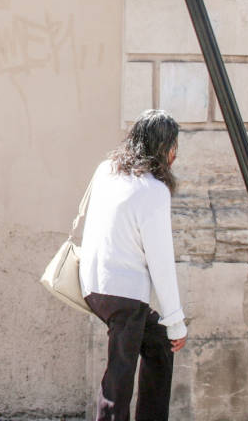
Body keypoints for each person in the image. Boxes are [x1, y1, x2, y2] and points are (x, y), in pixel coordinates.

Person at [79, 109, 188, 421]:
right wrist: (176, 321)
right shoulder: (154, 190)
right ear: (165, 149)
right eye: (173, 146)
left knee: (157, 344)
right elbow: (161, 262)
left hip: (93, 286)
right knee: (119, 378)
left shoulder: (106, 170)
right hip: (124, 295)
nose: (174, 154)